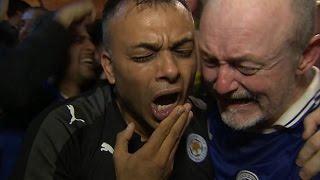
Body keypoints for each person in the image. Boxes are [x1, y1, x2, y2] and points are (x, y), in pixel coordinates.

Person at [10, 0, 213, 179]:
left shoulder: (211, 121)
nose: (170, 70)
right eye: (144, 56)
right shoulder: (63, 132)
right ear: (109, 68)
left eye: (183, 51)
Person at [198, 0, 320, 179]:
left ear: (305, 56)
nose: (222, 86)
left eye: (246, 67)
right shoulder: (195, 107)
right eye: (210, 61)